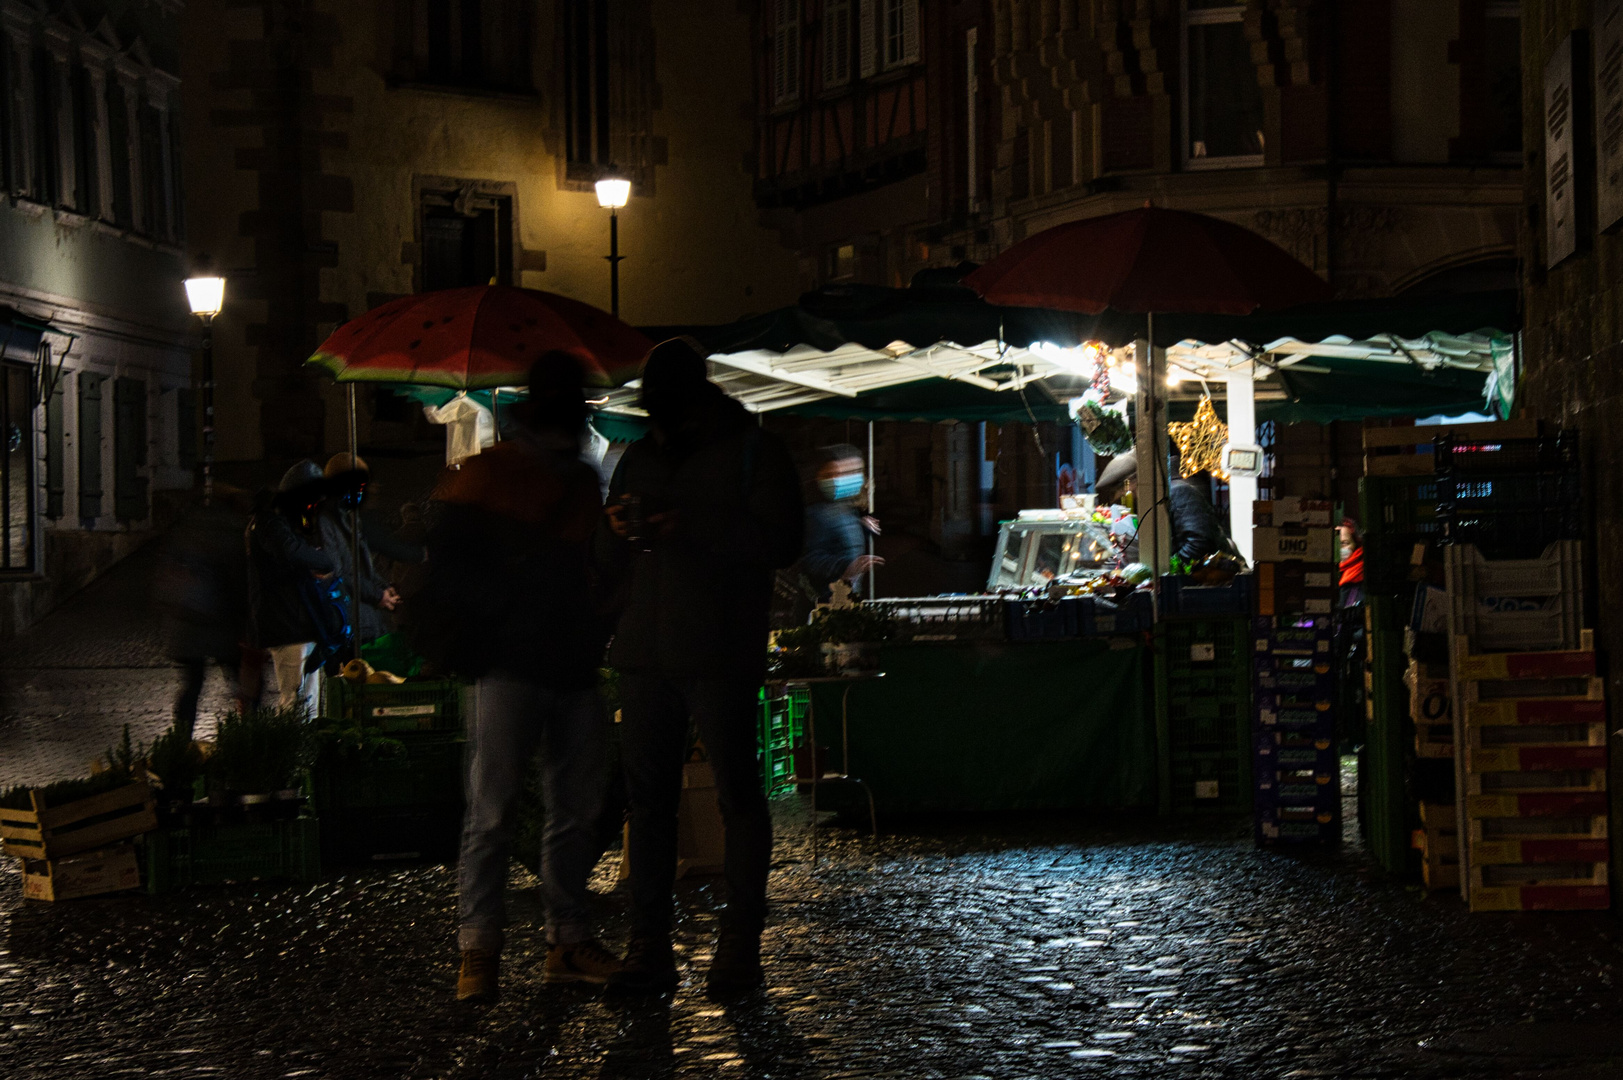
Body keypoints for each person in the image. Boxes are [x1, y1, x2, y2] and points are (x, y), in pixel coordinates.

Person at [597, 336, 803, 997]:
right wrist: (617, 532)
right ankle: (648, 950)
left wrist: (686, 525)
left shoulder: (751, 450)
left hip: (716, 647)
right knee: (650, 804)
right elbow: (614, 554)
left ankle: (737, 950)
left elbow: (780, 542)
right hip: (648, 650)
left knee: (736, 797)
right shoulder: (639, 455)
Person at [429, 352, 619, 1003]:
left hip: (533, 663)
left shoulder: (491, 478)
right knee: (545, 810)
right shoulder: (542, 480)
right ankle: (531, 942)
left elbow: (450, 569)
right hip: (538, 663)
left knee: (506, 811)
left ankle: (487, 953)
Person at [154, 489, 251, 739]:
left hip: (183, 624)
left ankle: (181, 741)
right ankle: (249, 738)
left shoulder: (187, 526)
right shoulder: (233, 531)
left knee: (192, 684)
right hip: (218, 624)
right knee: (243, 681)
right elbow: (239, 580)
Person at [245, 461, 339, 717]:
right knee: (296, 700)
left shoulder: (278, 521)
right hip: (287, 622)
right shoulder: (271, 522)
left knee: (304, 699)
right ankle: (294, 751)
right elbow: (292, 552)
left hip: (292, 622)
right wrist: (321, 561)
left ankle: (300, 748)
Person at [316, 453, 401, 645]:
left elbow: (362, 566)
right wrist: (378, 594)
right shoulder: (325, 521)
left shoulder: (347, 518)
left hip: (364, 620)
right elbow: (337, 573)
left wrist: (383, 587)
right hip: (349, 622)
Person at [798, 443, 882, 602]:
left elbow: (843, 544)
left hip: (847, 598)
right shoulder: (817, 515)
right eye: (837, 473)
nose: (847, 478)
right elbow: (810, 559)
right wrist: (847, 565)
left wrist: (863, 528)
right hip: (823, 602)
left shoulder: (847, 510)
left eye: (855, 472)